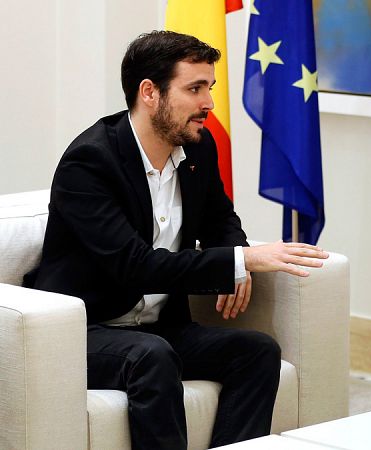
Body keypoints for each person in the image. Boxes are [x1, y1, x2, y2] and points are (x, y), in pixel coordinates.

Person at [22, 31, 329, 449]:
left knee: (257, 351)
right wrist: (243, 261)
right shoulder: (90, 162)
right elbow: (136, 267)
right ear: (150, 92)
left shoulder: (198, 149)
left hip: (160, 328)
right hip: (87, 331)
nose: (209, 103)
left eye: (210, 88)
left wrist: (235, 260)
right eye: (195, 88)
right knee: (151, 356)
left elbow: (221, 220)